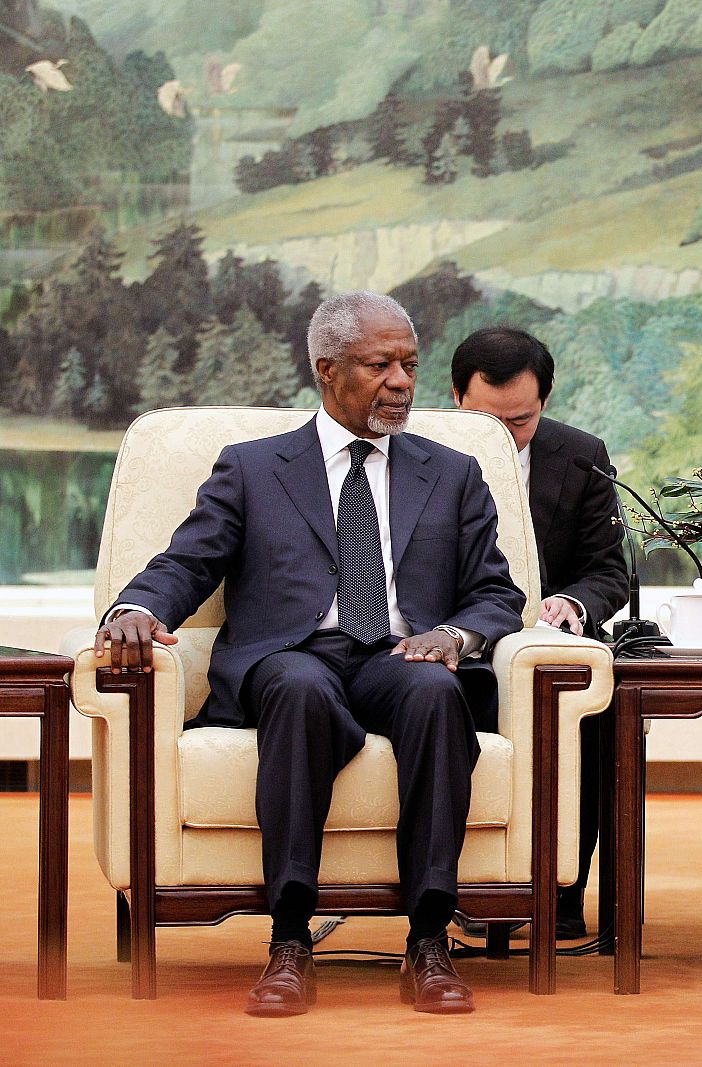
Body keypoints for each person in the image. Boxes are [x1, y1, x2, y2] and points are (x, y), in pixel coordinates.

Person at [94, 291, 527, 1017]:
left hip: (401, 654)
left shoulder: (451, 474)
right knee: (296, 686)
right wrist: (135, 607)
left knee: (435, 690)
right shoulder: (255, 468)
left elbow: (495, 593)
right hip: (294, 654)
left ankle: (429, 941)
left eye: (410, 365)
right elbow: (187, 562)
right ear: (327, 369)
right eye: (379, 364)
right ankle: (289, 941)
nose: (401, 381)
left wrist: (453, 637)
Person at [451, 325, 627, 941]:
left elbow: (609, 571)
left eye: (519, 422)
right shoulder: (416, 454)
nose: (502, 437)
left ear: (544, 404)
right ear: (455, 399)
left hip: (543, 640)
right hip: (454, 642)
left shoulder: (580, 456)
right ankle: (468, 893)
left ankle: (564, 891)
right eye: (485, 421)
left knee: (584, 705)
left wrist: (572, 602)